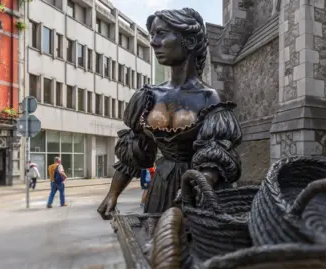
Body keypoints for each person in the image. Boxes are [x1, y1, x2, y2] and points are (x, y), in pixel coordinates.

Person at [97, 8, 242, 220]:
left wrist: (201, 183)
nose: (154, 42)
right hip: (160, 189)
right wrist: (112, 193)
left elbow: (218, 157)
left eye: (162, 34)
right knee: (157, 243)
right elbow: (133, 154)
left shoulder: (209, 98)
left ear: (190, 41)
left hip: (199, 192)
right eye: (153, 35)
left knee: (199, 246)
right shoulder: (147, 97)